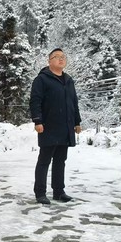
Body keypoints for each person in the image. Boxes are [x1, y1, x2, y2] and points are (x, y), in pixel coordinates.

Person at [29, 48, 82, 204]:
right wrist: (37, 121)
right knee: (44, 160)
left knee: (60, 160)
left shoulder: (68, 80)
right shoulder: (42, 79)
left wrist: (77, 122)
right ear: (49, 61)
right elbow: (35, 101)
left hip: (65, 126)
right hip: (48, 126)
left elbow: (74, 102)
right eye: (56, 57)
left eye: (63, 57)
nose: (61, 59)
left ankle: (59, 191)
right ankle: (40, 193)